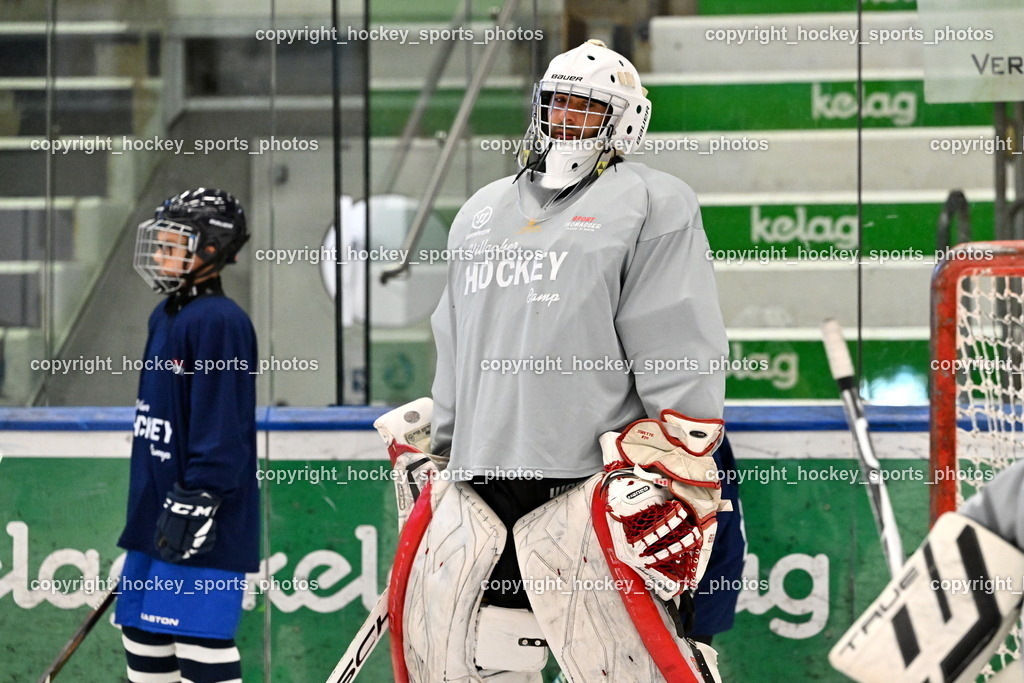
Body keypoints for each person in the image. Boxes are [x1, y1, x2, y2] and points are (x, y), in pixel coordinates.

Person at [416, 38, 736, 680]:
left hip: (592, 487)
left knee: (624, 664)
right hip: (483, 485)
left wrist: (680, 454)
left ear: (624, 120)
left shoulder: (653, 200)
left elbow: (674, 331)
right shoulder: (479, 213)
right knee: (489, 663)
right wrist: (443, 451)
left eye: (584, 106)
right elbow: (454, 340)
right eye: (554, 102)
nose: (563, 118)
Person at [115, 188, 258, 683]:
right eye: (159, 243)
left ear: (211, 250)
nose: (158, 255)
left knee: (200, 645)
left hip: (201, 514)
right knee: (143, 636)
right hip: (154, 513)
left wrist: (199, 497)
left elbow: (224, 427)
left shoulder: (221, 322)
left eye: (172, 244)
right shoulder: (166, 315)